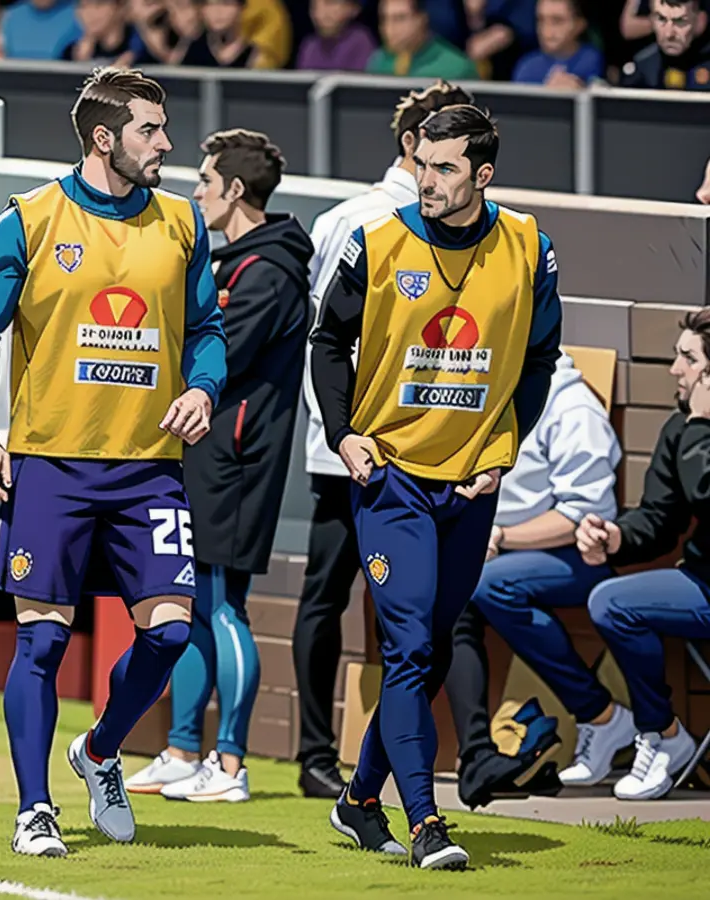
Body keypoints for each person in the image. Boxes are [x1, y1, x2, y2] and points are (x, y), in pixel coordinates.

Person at [0, 66, 226, 857]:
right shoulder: (31, 219)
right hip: (51, 467)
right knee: (41, 643)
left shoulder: (182, 222)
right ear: (104, 137)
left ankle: (100, 750)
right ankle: (34, 808)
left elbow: (206, 327)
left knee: (171, 636)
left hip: (150, 470)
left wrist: (204, 388)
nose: (167, 143)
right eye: (150, 129)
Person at [312, 104, 563, 869]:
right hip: (390, 478)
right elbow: (328, 341)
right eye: (422, 163)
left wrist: (505, 448)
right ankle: (425, 823)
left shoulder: (529, 248)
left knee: (425, 645)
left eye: (446, 168)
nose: (428, 179)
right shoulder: (376, 241)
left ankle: (359, 803)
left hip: (473, 483)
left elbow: (541, 359)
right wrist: (342, 433)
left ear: (482, 175)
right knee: (411, 649)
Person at [294, 79, 475, 801]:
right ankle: (319, 757)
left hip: (408, 445)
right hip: (361, 447)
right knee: (336, 598)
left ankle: (343, 765)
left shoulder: (486, 231)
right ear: (413, 144)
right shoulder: (359, 222)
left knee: (387, 609)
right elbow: (326, 337)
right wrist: (339, 431)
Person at [125, 129, 312, 803]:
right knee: (196, 600)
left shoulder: (271, 270)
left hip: (237, 458)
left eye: (204, 181)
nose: (195, 191)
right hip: (204, 455)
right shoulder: (235, 261)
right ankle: (181, 749)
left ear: (234, 191)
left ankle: (230, 763)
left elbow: (216, 354)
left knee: (226, 603)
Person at [442, 350, 621, 810]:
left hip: (575, 556)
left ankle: (598, 712)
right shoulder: (494, 394)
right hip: (499, 551)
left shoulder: (572, 408)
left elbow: (586, 514)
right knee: (454, 598)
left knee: (485, 584)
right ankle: (477, 754)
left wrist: (499, 536)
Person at [574, 308, 710, 800]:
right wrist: (615, 536)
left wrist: (700, 426)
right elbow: (660, 519)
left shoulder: (692, 429)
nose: (675, 369)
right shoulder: (683, 430)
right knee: (611, 600)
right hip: (702, 584)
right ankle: (664, 734)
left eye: (688, 359)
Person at [367, 0, 479, 79]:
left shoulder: (457, 68)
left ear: (421, 19)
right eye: (384, 19)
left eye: (399, 18)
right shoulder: (378, 61)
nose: (389, 28)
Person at [619, 0, 710, 91]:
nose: (669, 34)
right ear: (652, 20)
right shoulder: (642, 69)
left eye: (680, 21)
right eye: (661, 19)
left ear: (700, 21)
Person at [512, 0, 604, 87]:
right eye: (541, 20)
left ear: (579, 24)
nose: (547, 29)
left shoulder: (593, 60)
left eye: (557, 21)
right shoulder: (527, 66)